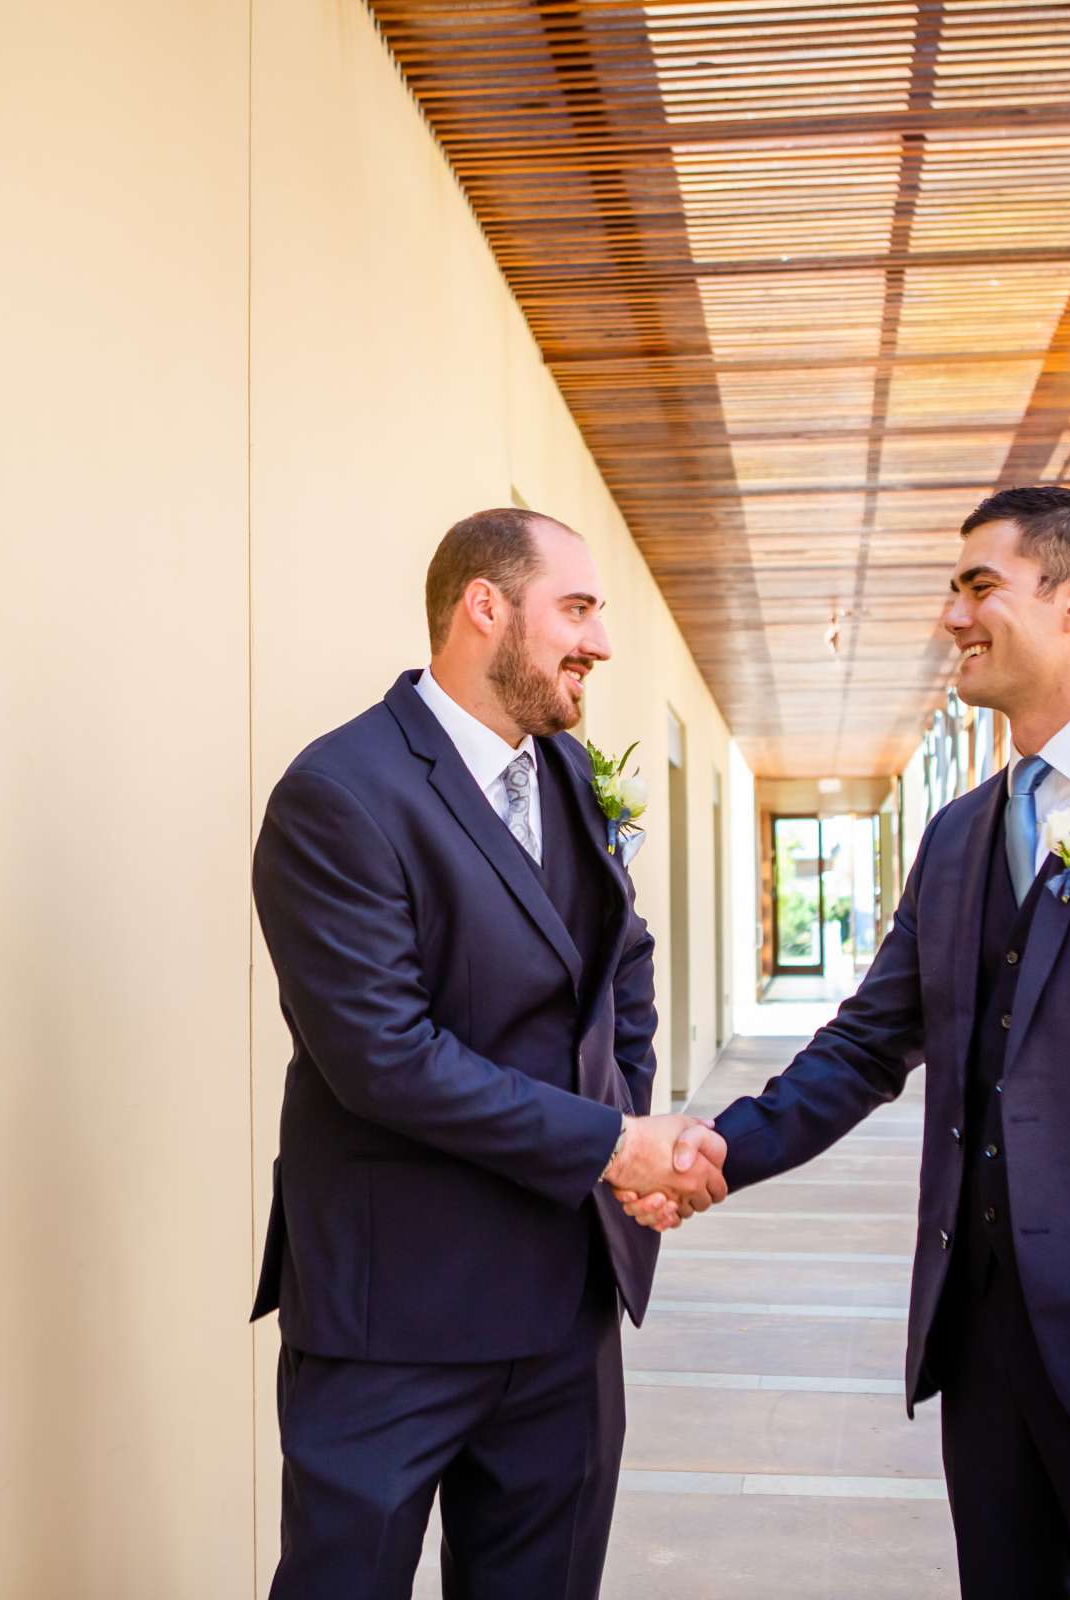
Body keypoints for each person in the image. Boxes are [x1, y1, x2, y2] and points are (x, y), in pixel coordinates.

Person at [625, 485, 1070, 1598]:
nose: (951, 618)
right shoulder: (959, 836)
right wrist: (722, 1146)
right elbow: (868, 1043)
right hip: (985, 1348)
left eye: (978, 587)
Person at [251, 507, 727, 1600]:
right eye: (578, 608)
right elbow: (382, 1055)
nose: (599, 642)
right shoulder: (340, 794)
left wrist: (631, 1122)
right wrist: (615, 1142)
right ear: (484, 606)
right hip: (392, 1318)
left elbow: (623, 964)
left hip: (563, 1307)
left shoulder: (564, 774)